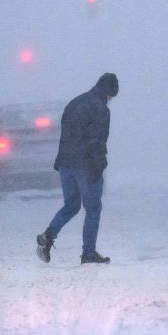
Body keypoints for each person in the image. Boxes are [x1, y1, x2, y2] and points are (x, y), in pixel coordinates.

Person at [36, 72, 118, 265]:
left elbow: (65, 135)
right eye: (112, 96)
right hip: (86, 166)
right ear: (109, 92)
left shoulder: (75, 103)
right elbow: (97, 141)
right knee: (93, 208)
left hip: (66, 164)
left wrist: (62, 161)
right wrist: (98, 167)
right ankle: (88, 253)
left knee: (71, 206)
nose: (112, 100)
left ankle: (47, 236)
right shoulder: (101, 109)